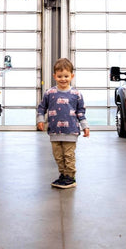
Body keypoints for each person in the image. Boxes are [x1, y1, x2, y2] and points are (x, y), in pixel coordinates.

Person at [37, 58, 90, 189]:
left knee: (68, 155)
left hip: (71, 131)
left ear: (72, 76)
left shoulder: (76, 94)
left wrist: (85, 127)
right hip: (54, 132)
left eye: (66, 76)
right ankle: (63, 175)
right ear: (54, 76)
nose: (63, 79)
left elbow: (81, 112)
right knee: (58, 156)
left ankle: (70, 177)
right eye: (60, 76)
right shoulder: (50, 93)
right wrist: (40, 120)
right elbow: (42, 107)